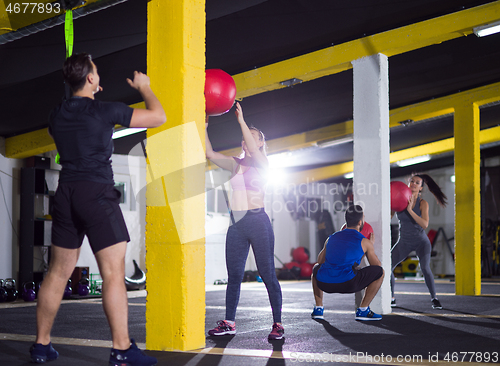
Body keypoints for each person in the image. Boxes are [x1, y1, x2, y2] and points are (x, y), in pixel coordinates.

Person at [30, 53, 165, 365]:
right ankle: (121, 349)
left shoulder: (56, 114)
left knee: (57, 272)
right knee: (114, 274)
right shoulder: (107, 110)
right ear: (90, 79)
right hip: (96, 193)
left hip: (65, 194)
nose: (98, 76)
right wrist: (144, 87)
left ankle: (41, 345)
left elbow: (69, 126)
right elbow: (158, 116)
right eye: (96, 72)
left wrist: (84, 98)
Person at [205, 102, 284, 340]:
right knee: (234, 276)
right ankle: (229, 322)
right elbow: (208, 153)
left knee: (268, 273)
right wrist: (204, 126)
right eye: (246, 136)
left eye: (254, 136)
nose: (249, 138)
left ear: (260, 143)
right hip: (236, 225)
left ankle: (278, 324)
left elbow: (252, 147)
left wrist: (241, 121)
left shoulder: (263, 164)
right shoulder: (234, 164)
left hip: (258, 221)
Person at [311, 204, 385, 321]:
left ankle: (318, 308)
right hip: (349, 284)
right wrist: (369, 247)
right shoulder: (365, 242)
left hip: (325, 284)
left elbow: (320, 261)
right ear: (360, 222)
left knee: (316, 268)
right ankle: (363, 310)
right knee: (380, 272)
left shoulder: (331, 238)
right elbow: (376, 266)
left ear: (346, 222)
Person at [391, 174, 447, 309]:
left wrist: (410, 210)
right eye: (412, 181)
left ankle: (434, 298)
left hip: (421, 242)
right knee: (387, 266)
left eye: (417, 182)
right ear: (408, 183)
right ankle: (391, 297)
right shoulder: (399, 200)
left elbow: (425, 224)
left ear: (421, 188)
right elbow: (389, 216)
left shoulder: (423, 203)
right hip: (404, 241)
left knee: (425, 268)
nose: (414, 184)